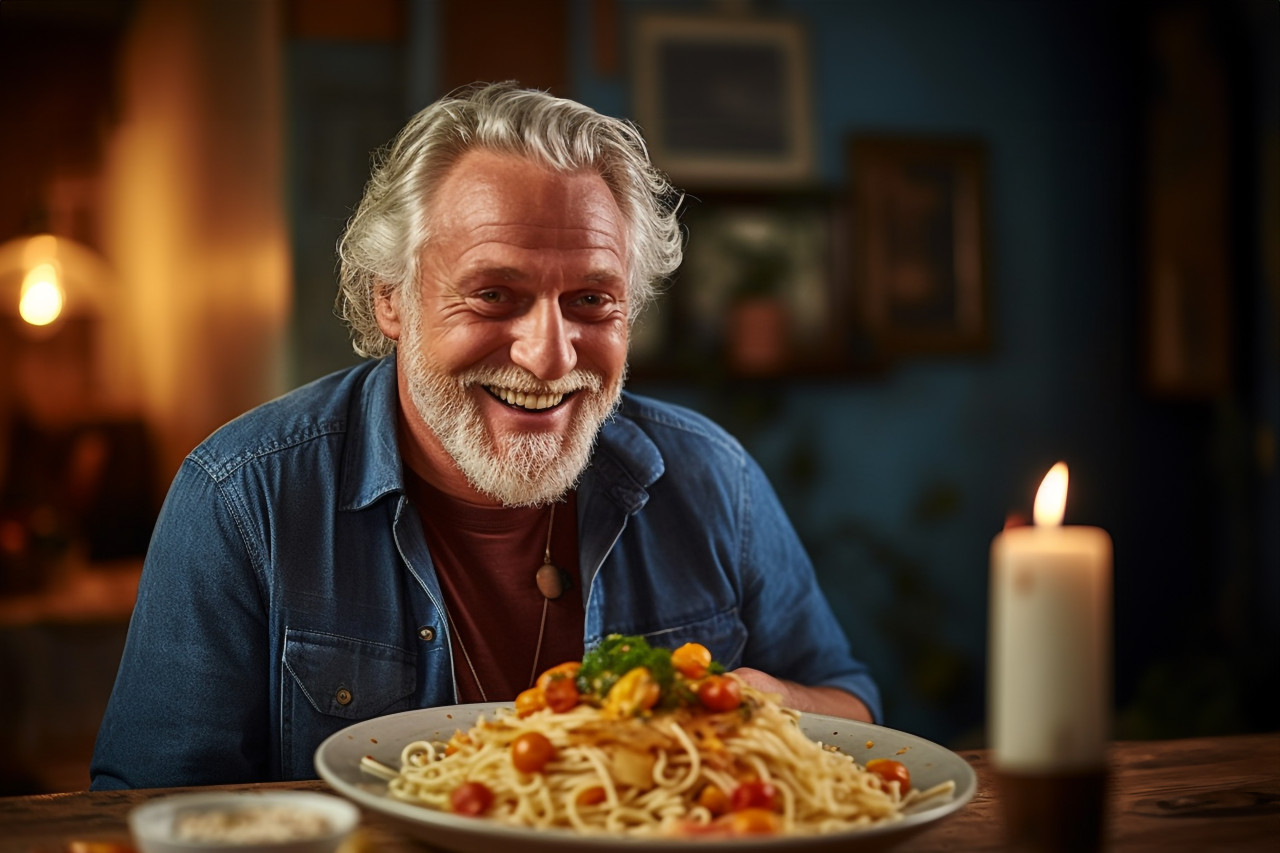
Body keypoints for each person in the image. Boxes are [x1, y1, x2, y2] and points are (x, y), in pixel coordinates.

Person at [89, 82, 880, 789]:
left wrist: (771, 707)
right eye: (495, 294)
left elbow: (850, 706)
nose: (549, 355)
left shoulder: (712, 476)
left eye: (593, 300)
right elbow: (151, 811)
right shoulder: (241, 499)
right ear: (392, 300)